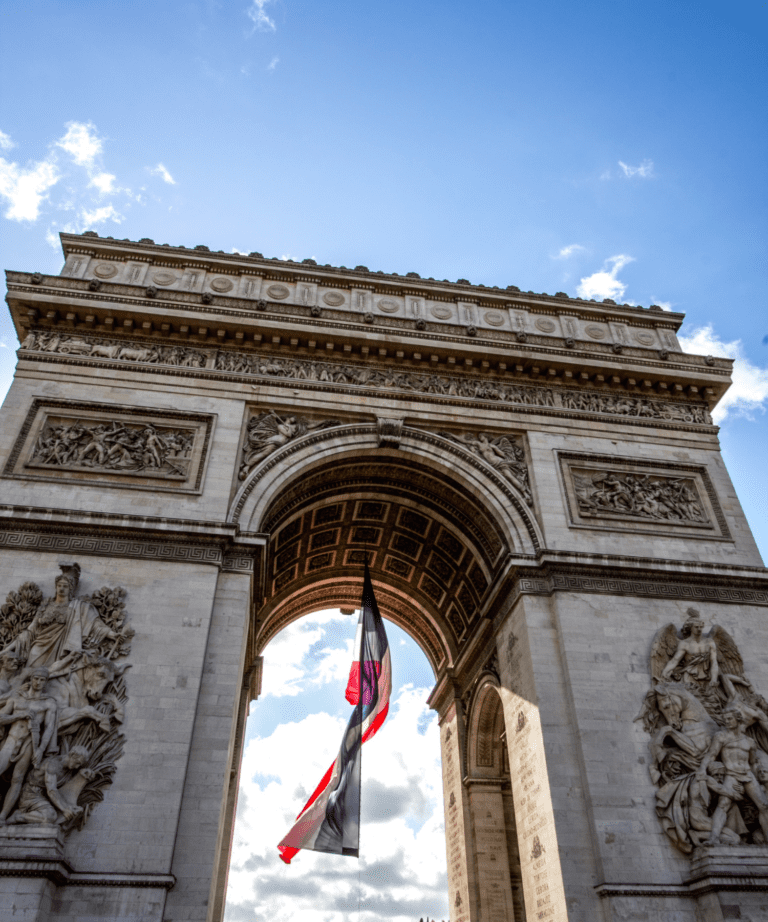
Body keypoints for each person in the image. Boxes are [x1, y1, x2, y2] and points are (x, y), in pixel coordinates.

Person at [0, 565, 118, 671]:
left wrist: (112, 634)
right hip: (39, 645)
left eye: (65, 586)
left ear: (70, 588)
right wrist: (7, 650)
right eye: (59, 585)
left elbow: (94, 622)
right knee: (30, 672)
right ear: (56, 587)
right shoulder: (46, 605)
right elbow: (31, 630)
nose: (61, 588)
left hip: (61, 647)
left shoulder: (78, 606)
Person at [696, 707, 768, 845]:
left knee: (764, 806)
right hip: (731, 774)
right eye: (725, 719)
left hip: (748, 775)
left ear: (738, 719)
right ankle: (714, 838)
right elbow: (711, 755)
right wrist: (702, 769)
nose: (727, 721)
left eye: (730, 719)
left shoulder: (749, 742)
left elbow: (752, 763)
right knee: (723, 804)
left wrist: (759, 783)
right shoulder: (721, 737)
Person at [0, 667, 59, 823]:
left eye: (42, 680)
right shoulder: (17, 697)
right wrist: (19, 715)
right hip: (12, 740)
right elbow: (1, 717)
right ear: (30, 679)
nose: (38, 682)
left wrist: (40, 749)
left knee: (17, 779)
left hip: (30, 743)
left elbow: (49, 729)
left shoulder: (48, 703)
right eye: (36, 678)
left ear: (46, 682)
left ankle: (3, 815)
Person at [7, 745, 92, 825]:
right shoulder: (53, 763)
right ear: (72, 755)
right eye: (77, 763)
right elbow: (51, 790)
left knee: (57, 814)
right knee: (50, 816)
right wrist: (64, 809)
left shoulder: (68, 769)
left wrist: (81, 775)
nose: (77, 767)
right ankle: (18, 816)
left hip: (43, 796)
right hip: (30, 794)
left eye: (79, 765)